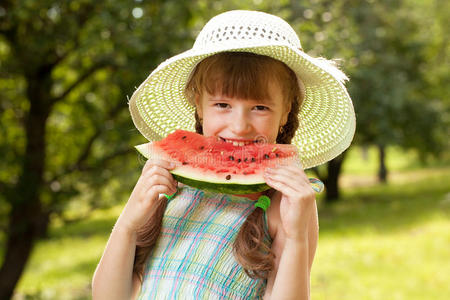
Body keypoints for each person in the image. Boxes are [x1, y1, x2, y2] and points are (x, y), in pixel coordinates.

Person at [92, 10, 355, 300]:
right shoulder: (170, 182)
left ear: (286, 112)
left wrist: (295, 239)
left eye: (260, 108)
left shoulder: (289, 202)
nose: (240, 126)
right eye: (222, 104)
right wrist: (129, 223)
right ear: (199, 105)